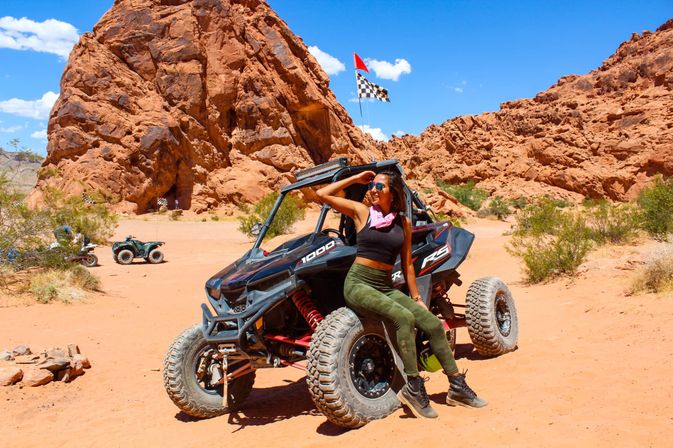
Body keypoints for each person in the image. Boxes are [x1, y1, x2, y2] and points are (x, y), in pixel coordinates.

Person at [316, 169, 487, 419]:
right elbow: (322, 194)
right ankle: (414, 387)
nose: (373, 189)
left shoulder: (402, 223)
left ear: (393, 193)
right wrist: (355, 179)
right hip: (358, 284)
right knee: (403, 319)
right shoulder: (363, 214)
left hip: (384, 286)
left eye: (379, 186)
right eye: (372, 185)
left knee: (433, 325)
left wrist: (418, 299)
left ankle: (457, 386)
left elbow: (407, 265)